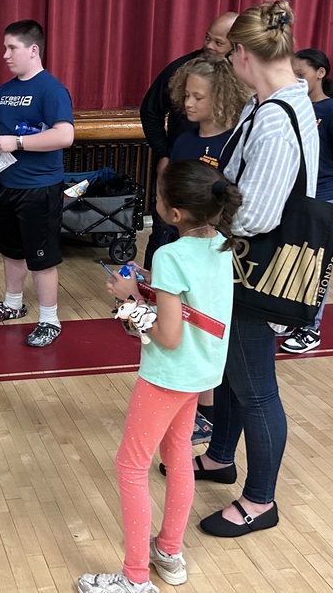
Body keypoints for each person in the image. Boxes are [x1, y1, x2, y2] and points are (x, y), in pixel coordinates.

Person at [186, 0, 320, 538]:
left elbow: (260, 213)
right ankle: (220, 455)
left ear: (242, 54)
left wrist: (204, 218)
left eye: (227, 53)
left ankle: (261, 501)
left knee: (256, 387)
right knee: (232, 374)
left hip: (253, 271)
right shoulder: (277, 104)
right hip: (245, 265)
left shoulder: (274, 120)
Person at [77, 160, 241, 593]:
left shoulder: (170, 254)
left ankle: (134, 578)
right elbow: (192, 304)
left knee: (130, 466)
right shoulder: (222, 244)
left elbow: (166, 334)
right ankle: (169, 551)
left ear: (173, 213)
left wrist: (127, 301)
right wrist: (150, 283)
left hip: (167, 376)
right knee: (178, 459)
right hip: (200, 374)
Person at [164, 57, 252, 444]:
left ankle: (207, 411)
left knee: (204, 327)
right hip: (180, 238)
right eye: (186, 95)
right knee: (177, 320)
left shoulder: (234, 142)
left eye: (198, 97)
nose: (189, 103)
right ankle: (185, 403)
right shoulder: (183, 138)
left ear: (220, 99)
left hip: (214, 246)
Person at [0, 19, 75, 348]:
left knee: (42, 258)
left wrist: (17, 143)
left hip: (40, 188)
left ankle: (50, 319)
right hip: (6, 186)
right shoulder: (3, 92)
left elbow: (65, 135)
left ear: (33, 50)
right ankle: (13, 303)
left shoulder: (51, 89)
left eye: (12, 48)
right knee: (11, 251)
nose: (4, 54)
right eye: (5, 47)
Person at [140, 12, 238, 269]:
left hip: (211, 230)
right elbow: (150, 112)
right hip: (176, 199)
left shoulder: (233, 142)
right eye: (208, 38)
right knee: (163, 241)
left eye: (219, 42)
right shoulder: (184, 139)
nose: (209, 46)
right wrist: (163, 153)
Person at [282, 49, 333, 353]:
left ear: (320, 73)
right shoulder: (293, 107)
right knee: (292, 259)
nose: (297, 80)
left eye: (302, 74)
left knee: (316, 263)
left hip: (323, 196)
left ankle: (311, 327)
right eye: (293, 75)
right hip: (294, 195)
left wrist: (320, 171)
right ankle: (291, 316)